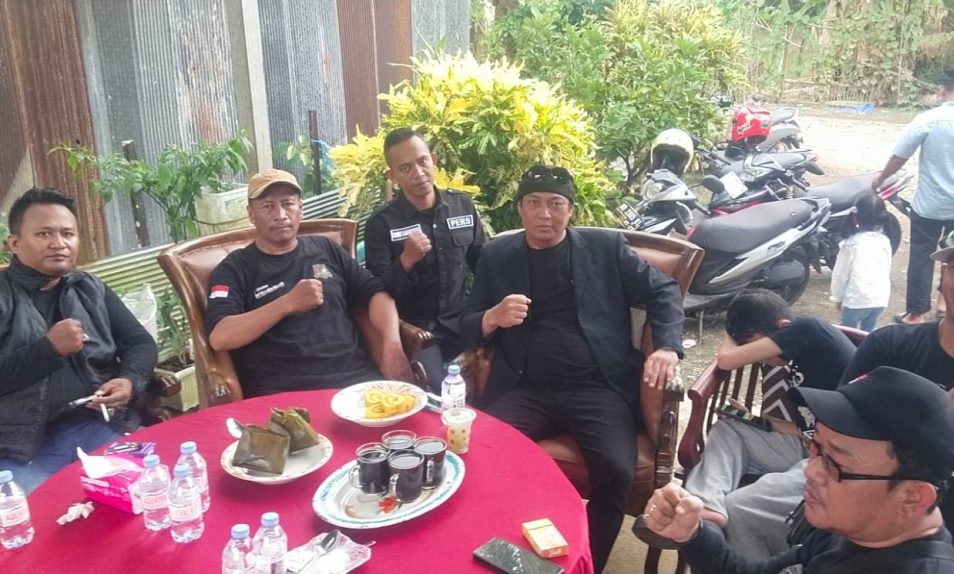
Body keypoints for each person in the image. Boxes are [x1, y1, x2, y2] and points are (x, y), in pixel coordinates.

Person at [713, 219, 954, 562]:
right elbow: (832, 433)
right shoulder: (890, 346)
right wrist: (941, 412)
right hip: (850, 497)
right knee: (743, 509)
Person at [460, 165, 685, 573]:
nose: (544, 214)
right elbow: (467, 321)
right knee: (478, 452)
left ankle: (587, 563)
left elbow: (662, 290)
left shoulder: (605, 248)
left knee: (616, 470)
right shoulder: (498, 255)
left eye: (555, 204)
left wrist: (667, 347)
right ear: (520, 208)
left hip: (596, 387)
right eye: (534, 203)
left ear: (571, 210)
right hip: (526, 387)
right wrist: (492, 316)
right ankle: (503, 550)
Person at [644, 366, 954, 574]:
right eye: (816, 448)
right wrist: (691, 533)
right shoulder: (846, 533)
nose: (811, 472)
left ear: (912, 497)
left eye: (835, 463)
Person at [0, 188, 157, 493]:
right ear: (15, 243)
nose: (59, 243)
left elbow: (139, 342)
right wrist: (48, 350)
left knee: (151, 491)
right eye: (44, 234)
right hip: (22, 446)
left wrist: (129, 380)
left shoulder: (89, 288)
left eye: (68, 234)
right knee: (39, 517)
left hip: (99, 425)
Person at [206, 169, 411, 397]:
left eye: (288, 204)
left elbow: (376, 292)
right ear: (251, 214)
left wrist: (392, 344)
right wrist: (287, 303)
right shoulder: (235, 268)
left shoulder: (326, 249)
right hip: (284, 394)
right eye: (267, 206)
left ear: (301, 209)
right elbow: (220, 337)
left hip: (355, 383)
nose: (280, 214)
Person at [684, 289, 856, 528]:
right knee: (728, 429)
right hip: (807, 446)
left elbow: (726, 360)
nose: (760, 357)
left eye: (754, 345)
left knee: (740, 504)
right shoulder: (803, 353)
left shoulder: (808, 329)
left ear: (783, 327)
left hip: (832, 462)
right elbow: (804, 431)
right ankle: (706, 507)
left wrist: (731, 329)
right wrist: (751, 419)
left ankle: (717, 525)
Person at [871, 66, 954, 325]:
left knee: (921, 256)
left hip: (929, 204)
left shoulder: (927, 120)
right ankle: (945, 305)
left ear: (942, 90)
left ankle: (915, 314)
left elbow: (900, 156)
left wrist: (881, 178)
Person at [365, 128, 485, 387]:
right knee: (441, 391)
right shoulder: (381, 223)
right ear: (392, 176)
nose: (418, 173)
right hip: (418, 331)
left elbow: (483, 265)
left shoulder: (462, 205)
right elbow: (377, 292)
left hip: (463, 319)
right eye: (405, 168)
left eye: (423, 161)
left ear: (434, 160)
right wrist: (406, 261)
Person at [829, 193, 892, 331]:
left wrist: (837, 298)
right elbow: (886, 269)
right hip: (879, 299)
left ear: (855, 217)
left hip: (855, 300)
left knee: (848, 334)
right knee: (868, 332)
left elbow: (840, 275)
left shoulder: (850, 245)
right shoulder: (885, 241)